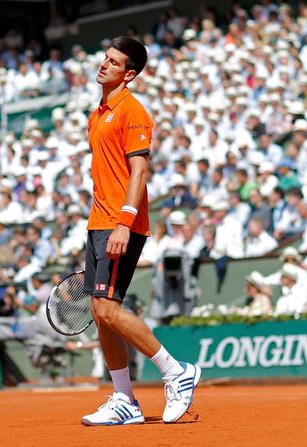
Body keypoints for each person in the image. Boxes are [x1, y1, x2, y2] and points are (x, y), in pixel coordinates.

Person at [80, 36, 200, 427]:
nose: (104, 65)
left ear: (128, 74)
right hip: (98, 222)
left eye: (113, 63)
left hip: (120, 223)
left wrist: (124, 221)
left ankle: (175, 371)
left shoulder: (133, 111)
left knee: (108, 308)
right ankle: (124, 399)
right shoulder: (97, 114)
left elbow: (139, 172)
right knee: (101, 313)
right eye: (105, 58)